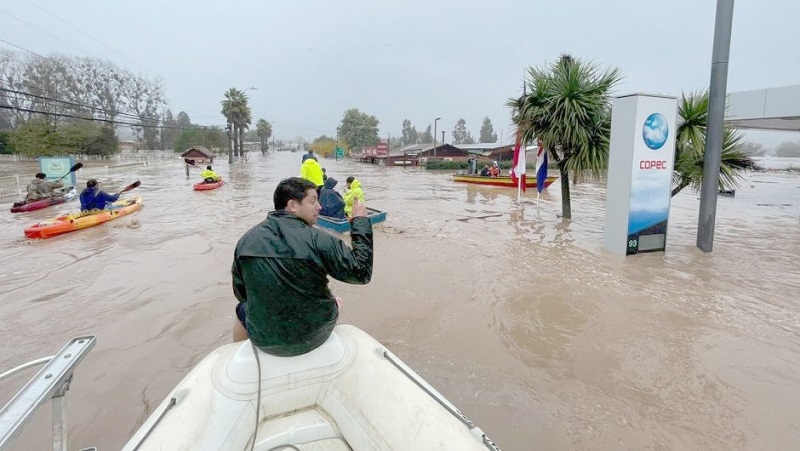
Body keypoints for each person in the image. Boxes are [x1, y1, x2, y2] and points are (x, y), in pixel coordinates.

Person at [231, 177, 373, 356]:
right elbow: (361, 273)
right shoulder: (320, 239)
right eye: (313, 201)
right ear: (292, 205)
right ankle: (333, 306)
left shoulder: (246, 240)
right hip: (314, 336)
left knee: (241, 309)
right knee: (333, 300)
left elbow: (241, 294)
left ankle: (238, 355)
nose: (319, 207)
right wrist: (360, 221)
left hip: (264, 339)